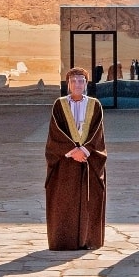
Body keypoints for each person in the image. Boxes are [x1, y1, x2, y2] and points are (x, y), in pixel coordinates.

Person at [44, 67, 107, 250]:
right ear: (68, 84)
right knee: (65, 201)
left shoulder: (95, 104)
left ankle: (88, 240)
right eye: (73, 81)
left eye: (81, 81)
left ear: (86, 84)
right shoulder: (59, 104)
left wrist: (85, 151)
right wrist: (73, 151)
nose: (77, 84)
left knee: (90, 201)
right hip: (65, 161)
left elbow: (98, 133)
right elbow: (55, 133)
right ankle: (65, 241)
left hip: (90, 159)